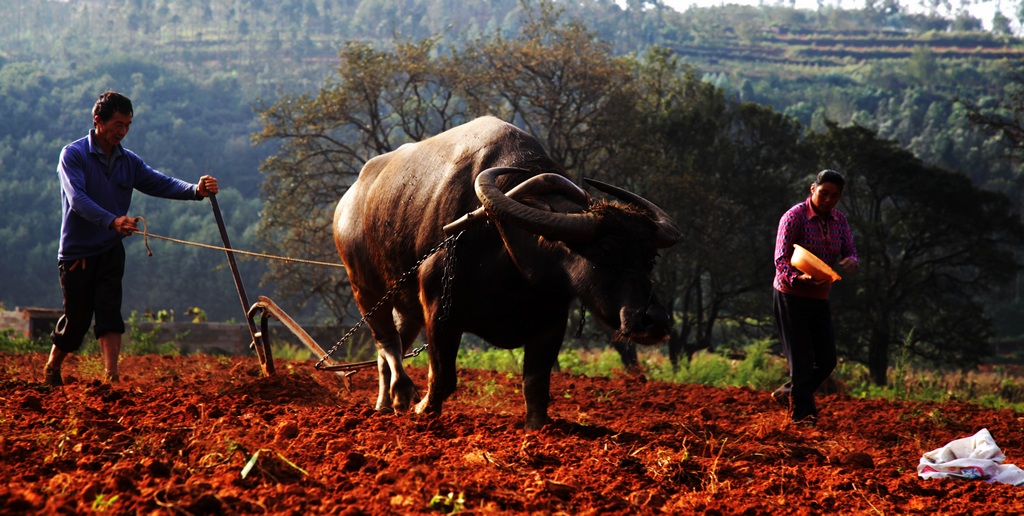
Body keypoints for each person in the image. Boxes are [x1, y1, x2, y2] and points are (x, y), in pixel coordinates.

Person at [43, 90, 219, 386]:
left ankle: (112, 376)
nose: (122, 132)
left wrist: (195, 191)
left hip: (111, 249)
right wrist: (112, 220)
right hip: (78, 253)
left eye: (127, 126)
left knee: (110, 311)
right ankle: (52, 366)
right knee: (77, 320)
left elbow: (159, 182)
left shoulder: (128, 161)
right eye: (117, 125)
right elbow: (77, 200)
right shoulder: (72, 155)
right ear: (98, 121)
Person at [771, 169, 858, 426]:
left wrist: (851, 260)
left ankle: (790, 392)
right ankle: (803, 418)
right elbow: (780, 259)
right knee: (802, 360)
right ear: (812, 189)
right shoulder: (794, 217)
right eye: (824, 193)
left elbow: (850, 248)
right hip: (791, 295)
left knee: (827, 359)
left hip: (820, 297)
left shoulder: (839, 221)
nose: (829, 199)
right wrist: (798, 278)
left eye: (835, 196)